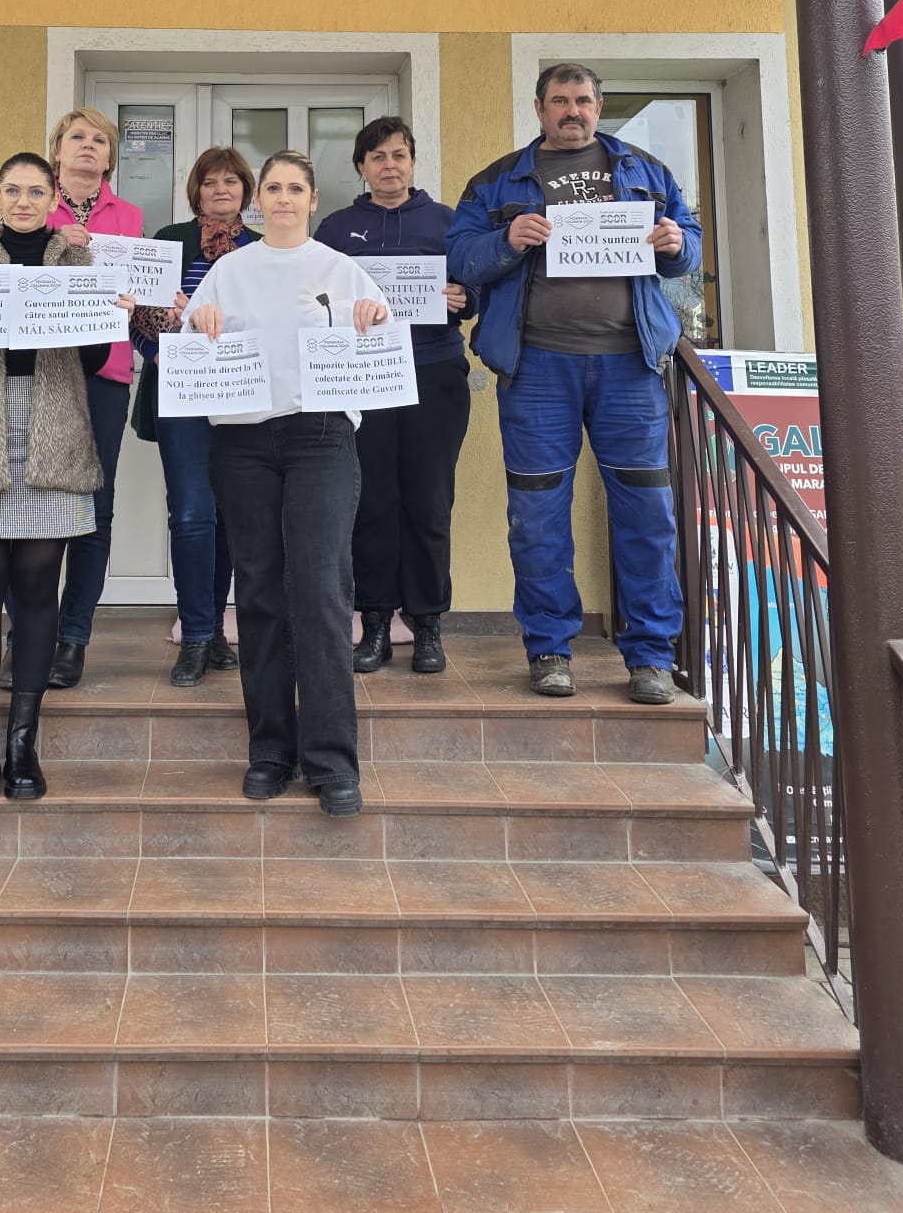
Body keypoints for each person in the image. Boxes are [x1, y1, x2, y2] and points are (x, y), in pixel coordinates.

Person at [446, 62, 702, 706]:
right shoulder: (498, 180)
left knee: (647, 514)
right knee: (536, 516)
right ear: (539, 109)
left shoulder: (645, 170)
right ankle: (549, 650)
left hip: (630, 367)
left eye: (583, 100)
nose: (572, 111)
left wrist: (675, 243)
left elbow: (689, 248)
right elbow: (459, 257)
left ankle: (651, 655)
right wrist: (506, 240)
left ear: (598, 106)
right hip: (537, 367)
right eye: (559, 100)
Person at [0, 152, 134, 801]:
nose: (23, 201)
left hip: (54, 431)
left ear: (52, 200)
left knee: (39, 586)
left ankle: (23, 742)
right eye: (12, 189)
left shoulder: (79, 266)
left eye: (36, 191)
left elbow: (93, 359)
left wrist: (111, 315)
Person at [185, 150, 390, 816]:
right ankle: (270, 750)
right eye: (271, 187)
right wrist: (198, 322)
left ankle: (332, 761)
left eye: (294, 188)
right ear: (258, 200)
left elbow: (382, 337)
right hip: (242, 444)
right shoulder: (228, 270)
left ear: (312, 199)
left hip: (320, 439)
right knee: (260, 593)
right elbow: (191, 344)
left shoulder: (341, 269)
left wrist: (374, 320)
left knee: (322, 591)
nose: (281, 198)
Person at [314, 116, 474, 676]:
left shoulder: (447, 222)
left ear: (412, 161)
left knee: (429, 503)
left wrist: (462, 295)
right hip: (363, 377)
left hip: (434, 373)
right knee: (372, 503)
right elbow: (314, 300)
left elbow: (477, 288)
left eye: (399, 155)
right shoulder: (336, 229)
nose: (389, 165)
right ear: (361, 166)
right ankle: (376, 622)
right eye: (377, 156)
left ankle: (427, 624)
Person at [130, 146, 258, 687]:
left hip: (241, 396)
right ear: (196, 191)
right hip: (181, 393)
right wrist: (161, 350)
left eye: (231, 181)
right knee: (190, 513)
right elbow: (138, 311)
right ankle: (196, 634)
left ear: (246, 190)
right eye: (210, 182)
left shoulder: (261, 247)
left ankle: (216, 631)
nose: (220, 189)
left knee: (228, 516)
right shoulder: (169, 240)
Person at [43, 107, 143, 689]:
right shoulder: (34, 207)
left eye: (99, 140)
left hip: (106, 372)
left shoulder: (128, 216)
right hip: (45, 373)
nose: (88, 146)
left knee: (93, 509)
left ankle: (73, 637)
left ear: (110, 157)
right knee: (37, 505)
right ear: (57, 150)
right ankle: (26, 636)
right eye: (77, 137)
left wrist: (151, 300)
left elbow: (141, 291)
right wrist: (57, 245)